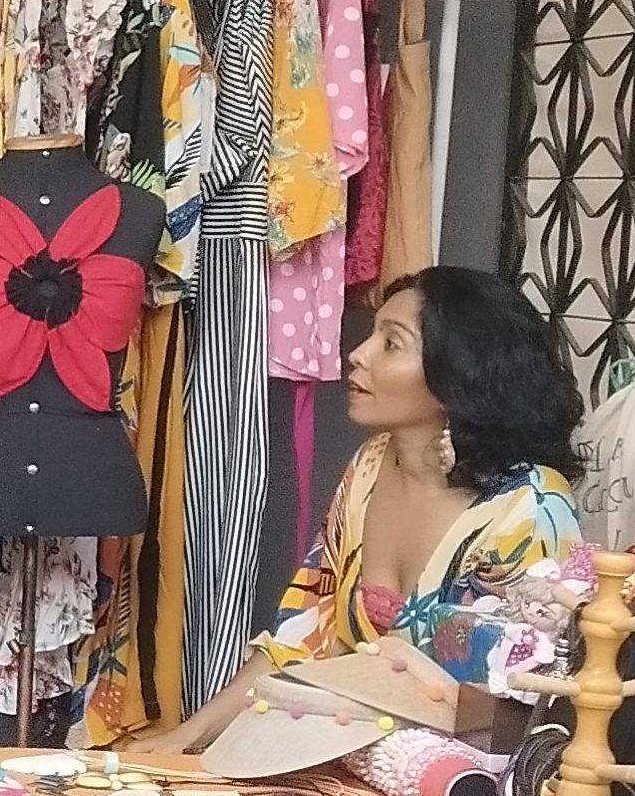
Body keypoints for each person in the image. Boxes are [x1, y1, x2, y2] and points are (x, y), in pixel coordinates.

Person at [144, 266, 592, 756]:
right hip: (343, 756)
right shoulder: (370, 466)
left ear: (458, 375)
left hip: (462, 778)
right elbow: (302, 635)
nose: (357, 353)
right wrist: (185, 738)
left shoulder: (529, 509)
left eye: (391, 343)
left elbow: (516, 705)